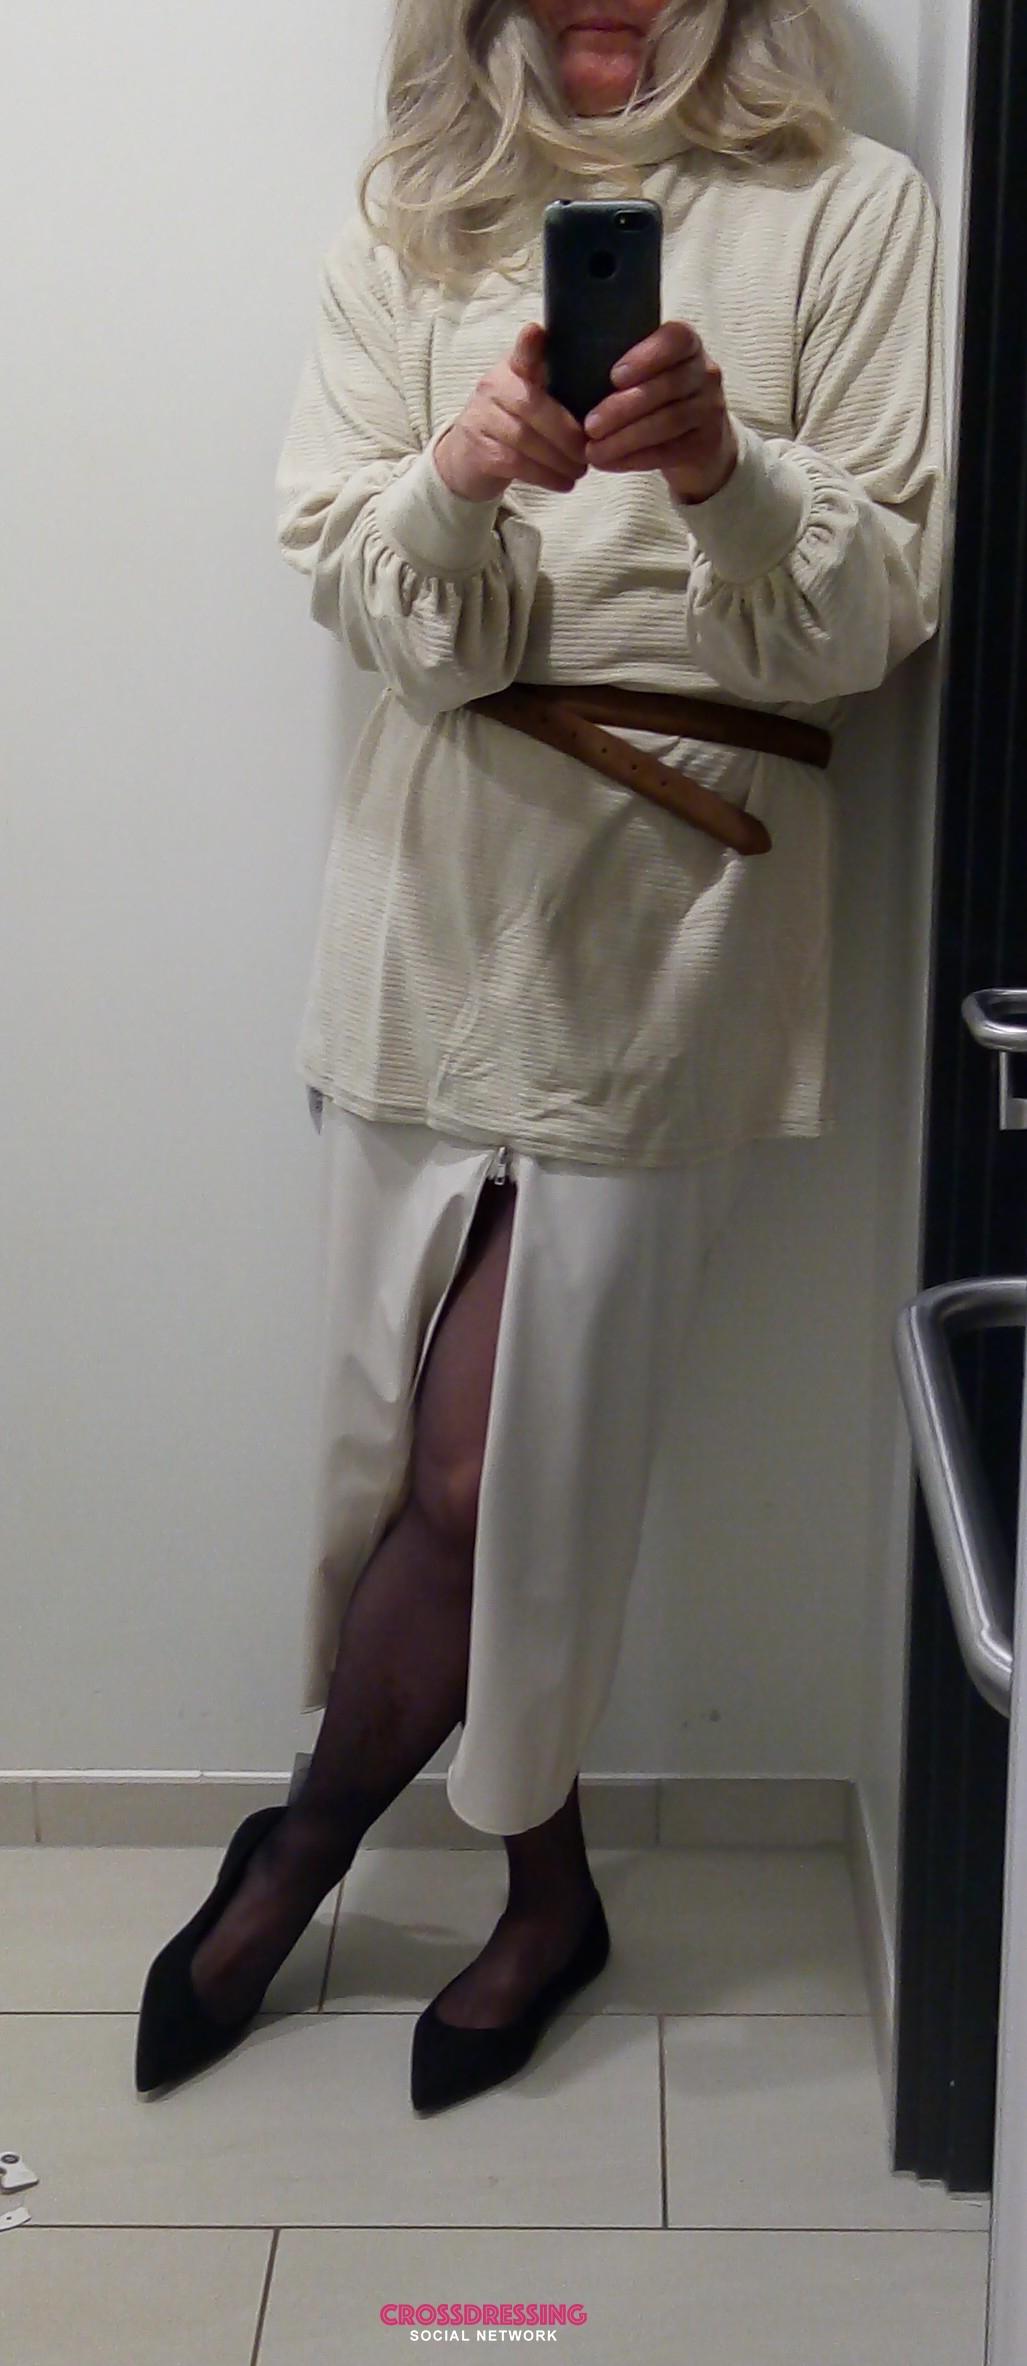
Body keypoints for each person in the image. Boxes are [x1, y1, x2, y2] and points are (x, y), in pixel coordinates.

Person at [135, 0, 945, 2115]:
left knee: (504, 1464)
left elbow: (877, 607)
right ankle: (546, 1891)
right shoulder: (415, 215)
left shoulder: (850, 207)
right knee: (385, 1441)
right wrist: (461, 474)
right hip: (432, 889)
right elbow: (355, 577)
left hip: (683, 898)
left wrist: (720, 469)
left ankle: (296, 1855)